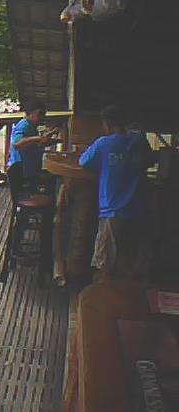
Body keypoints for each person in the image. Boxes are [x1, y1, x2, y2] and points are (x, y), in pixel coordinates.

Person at [79, 105, 153, 280]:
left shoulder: (103, 143)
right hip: (138, 208)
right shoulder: (139, 141)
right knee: (131, 260)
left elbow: (84, 162)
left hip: (112, 210)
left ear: (107, 124)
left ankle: (103, 292)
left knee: (105, 264)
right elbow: (149, 161)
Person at [7, 101, 60, 200]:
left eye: (43, 114)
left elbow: (36, 144)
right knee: (55, 179)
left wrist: (54, 138)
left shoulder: (31, 126)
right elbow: (17, 144)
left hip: (30, 169)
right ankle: (47, 203)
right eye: (39, 114)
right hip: (22, 172)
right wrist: (38, 138)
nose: (42, 117)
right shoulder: (24, 126)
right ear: (28, 114)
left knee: (53, 178)